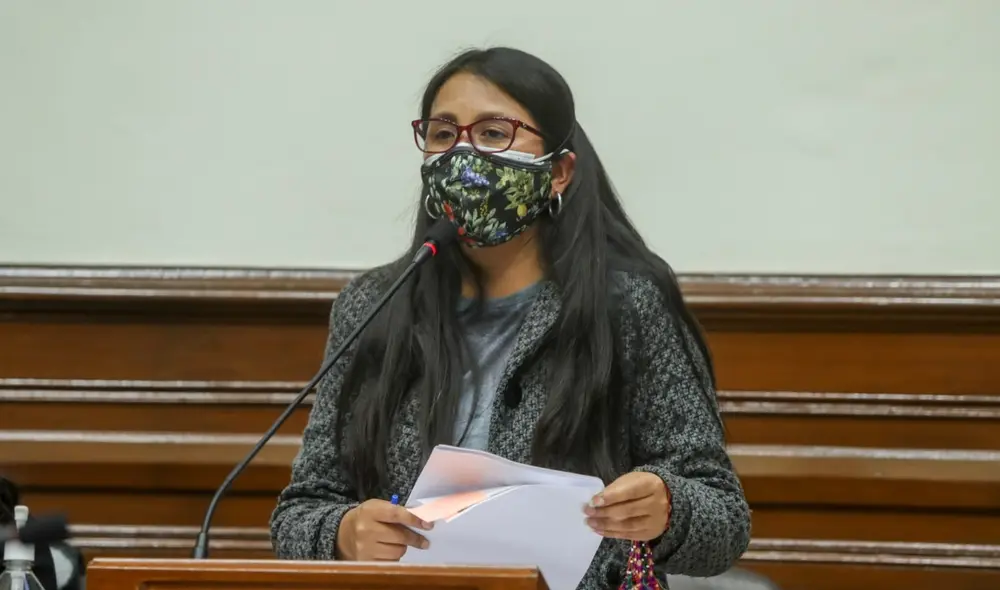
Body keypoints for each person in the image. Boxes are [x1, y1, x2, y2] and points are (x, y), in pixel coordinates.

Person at [270, 47, 751, 588]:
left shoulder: (627, 304)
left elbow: (723, 518)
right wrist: (344, 533)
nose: (463, 154)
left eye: (494, 133)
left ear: (560, 171)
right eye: (443, 134)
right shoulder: (374, 304)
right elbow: (300, 511)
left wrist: (668, 509)